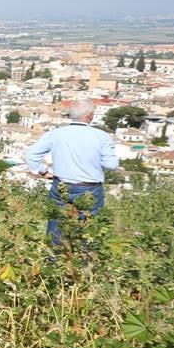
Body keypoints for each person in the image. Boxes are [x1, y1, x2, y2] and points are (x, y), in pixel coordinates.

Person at [24, 100, 119, 246]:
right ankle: (86, 263)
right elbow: (111, 165)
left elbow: (31, 156)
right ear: (90, 116)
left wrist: (43, 172)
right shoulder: (102, 136)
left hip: (61, 185)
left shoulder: (55, 134)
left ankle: (54, 262)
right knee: (89, 229)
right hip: (90, 188)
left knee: (56, 226)